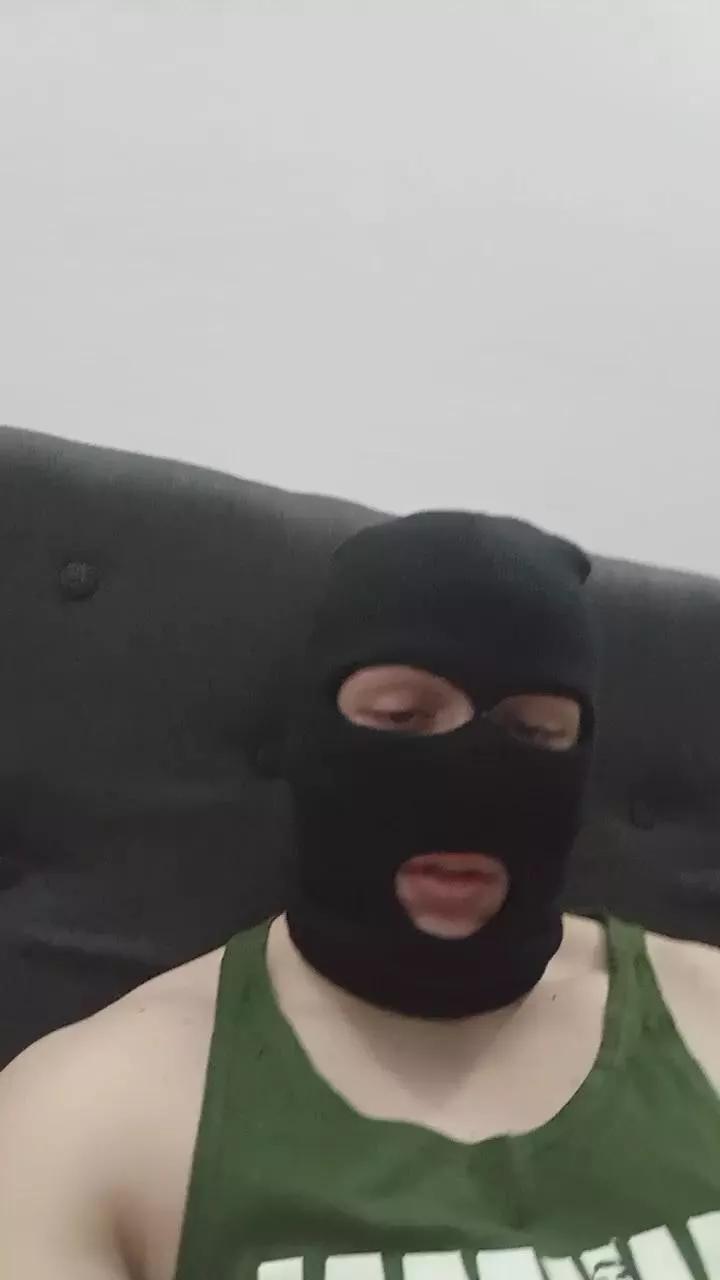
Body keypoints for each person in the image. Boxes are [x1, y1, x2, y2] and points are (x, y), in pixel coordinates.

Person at [1, 510, 719, 1280]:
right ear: (312, 740)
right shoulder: (86, 1113)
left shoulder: (705, 1004)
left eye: (533, 734)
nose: (472, 787)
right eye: (403, 719)